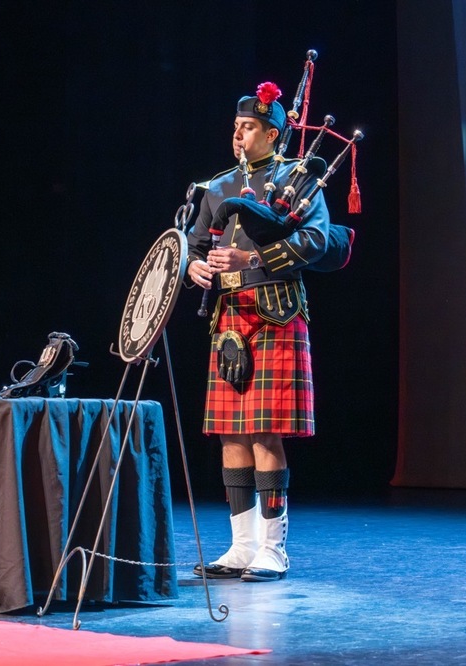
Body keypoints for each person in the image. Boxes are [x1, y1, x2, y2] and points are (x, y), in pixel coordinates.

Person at [185, 82, 331, 582]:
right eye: (235, 127)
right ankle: (242, 545)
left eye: (247, 128)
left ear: (273, 133)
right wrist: (194, 267)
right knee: (231, 432)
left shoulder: (299, 179)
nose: (237, 136)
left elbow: (316, 239)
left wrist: (252, 258)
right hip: (228, 318)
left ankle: (273, 548)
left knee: (265, 431)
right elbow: (196, 243)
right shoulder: (218, 185)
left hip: (275, 312)